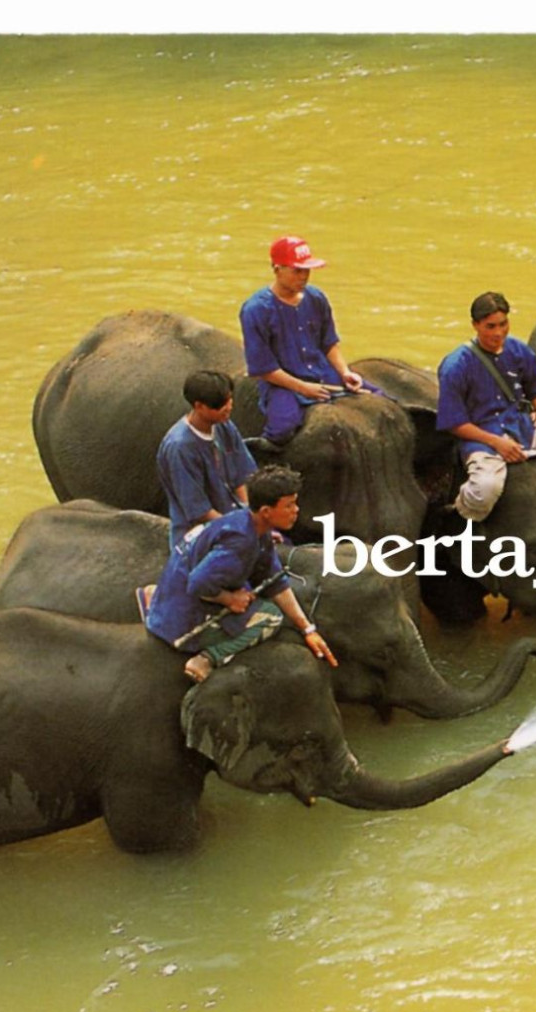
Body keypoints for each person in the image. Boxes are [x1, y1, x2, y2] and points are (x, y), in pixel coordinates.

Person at [145, 465, 336, 683]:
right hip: (183, 616)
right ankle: (207, 658)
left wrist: (307, 629)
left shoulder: (250, 526)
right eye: (289, 505)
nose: (296, 510)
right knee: (271, 617)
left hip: (178, 588)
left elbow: (275, 581)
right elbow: (197, 583)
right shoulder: (240, 543)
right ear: (266, 511)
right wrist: (229, 599)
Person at [435, 291, 536, 522]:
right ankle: (457, 516)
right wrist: (497, 443)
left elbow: (535, 384)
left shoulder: (519, 351)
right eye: (490, 326)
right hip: (482, 437)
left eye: (503, 324)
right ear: (475, 325)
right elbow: (454, 422)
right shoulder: (456, 366)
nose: (498, 333)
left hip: (523, 426)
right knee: (485, 490)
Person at [238, 234, 381, 450]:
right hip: (284, 384)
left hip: (324, 373)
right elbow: (263, 369)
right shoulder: (256, 310)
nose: (304, 276)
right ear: (277, 269)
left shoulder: (316, 298)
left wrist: (344, 373)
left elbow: (329, 342)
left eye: (307, 270)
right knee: (282, 429)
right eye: (297, 270)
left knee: (380, 400)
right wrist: (304, 388)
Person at [156, 369, 259, 546]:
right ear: (199, 406)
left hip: (235, 518)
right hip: (201, 532)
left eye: (229, 400)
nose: (228, 407)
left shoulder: (224, 425)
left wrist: (251, 517)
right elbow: (199, 512)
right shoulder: (180, 448)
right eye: (220, 405)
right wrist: (242, 528)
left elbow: (242, 477)